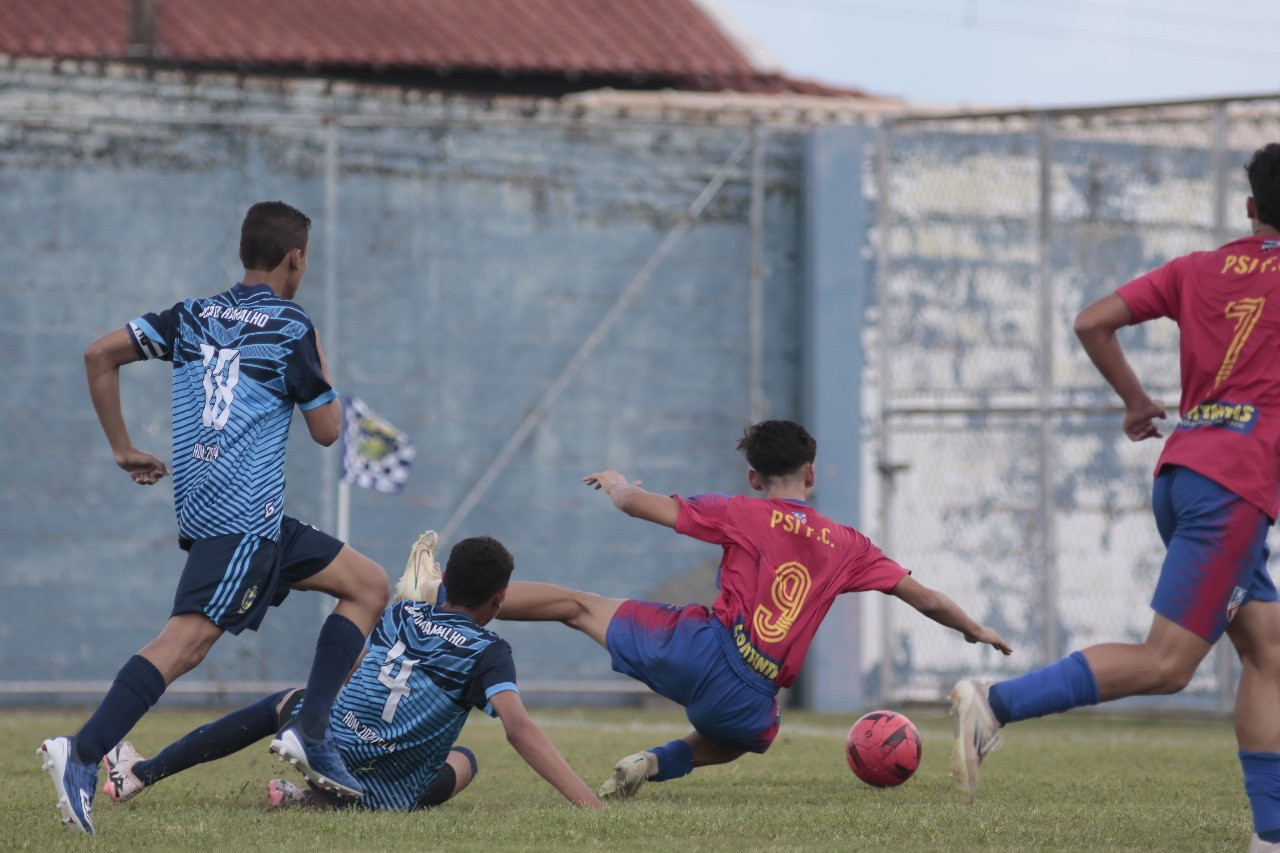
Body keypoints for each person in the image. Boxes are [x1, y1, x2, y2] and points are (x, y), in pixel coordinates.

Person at [949, 143, 1280, 851]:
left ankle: (1271, 835)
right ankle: (994, 703)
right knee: (1167, 663)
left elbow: (1091, 320)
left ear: (1252, 211)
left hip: (1185, 470)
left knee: (1271, 653)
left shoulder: (1199, 268)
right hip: (1234, 488)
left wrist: (1136, 401)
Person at [40, 201, 391, 834]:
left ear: (243, 254)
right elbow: (328, 430)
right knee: (188, 640)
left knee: (367, 585)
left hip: (239, 511)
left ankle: (312, 728)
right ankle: (84, 753)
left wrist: (122, 447)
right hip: (242, 519)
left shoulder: (192, 315)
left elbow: (99, 355)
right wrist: (316, 347)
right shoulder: (291, 327)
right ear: (296, 259)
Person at [497, 418, 1012, 798]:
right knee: (743, 738)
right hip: (752, 698)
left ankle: (443, 599)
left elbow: (634, 503)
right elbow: (924, 597)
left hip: (699, 652)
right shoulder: (850, 545)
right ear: (810, 474)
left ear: (753, 478)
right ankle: (654, 763)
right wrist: (973, 628)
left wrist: (614, 481)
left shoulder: (739, 511)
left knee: (575, 606)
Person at [99, 535, 604, 812]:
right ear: (499, 600)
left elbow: (356, 667)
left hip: (337, 742)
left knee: (295, 699)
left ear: (444, 582)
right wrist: (586, 804)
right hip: (389, 783)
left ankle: (140, 774)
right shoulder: (491, 651)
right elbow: (518, 728)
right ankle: (325, 801)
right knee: (465, 759)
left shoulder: (401, 614)